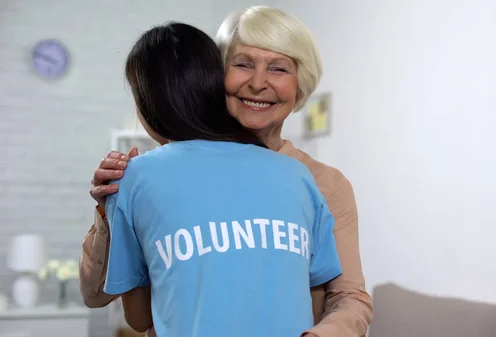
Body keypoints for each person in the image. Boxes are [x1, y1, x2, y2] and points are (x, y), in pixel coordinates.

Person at [80, 6, 373, 337]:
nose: (258, 83)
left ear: (300, 86)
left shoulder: (322, 183)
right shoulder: (153, 178)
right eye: (243, 64)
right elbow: (96, 295)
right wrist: (108, 211)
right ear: (215, 76)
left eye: (278, 69)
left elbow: (350, 298)